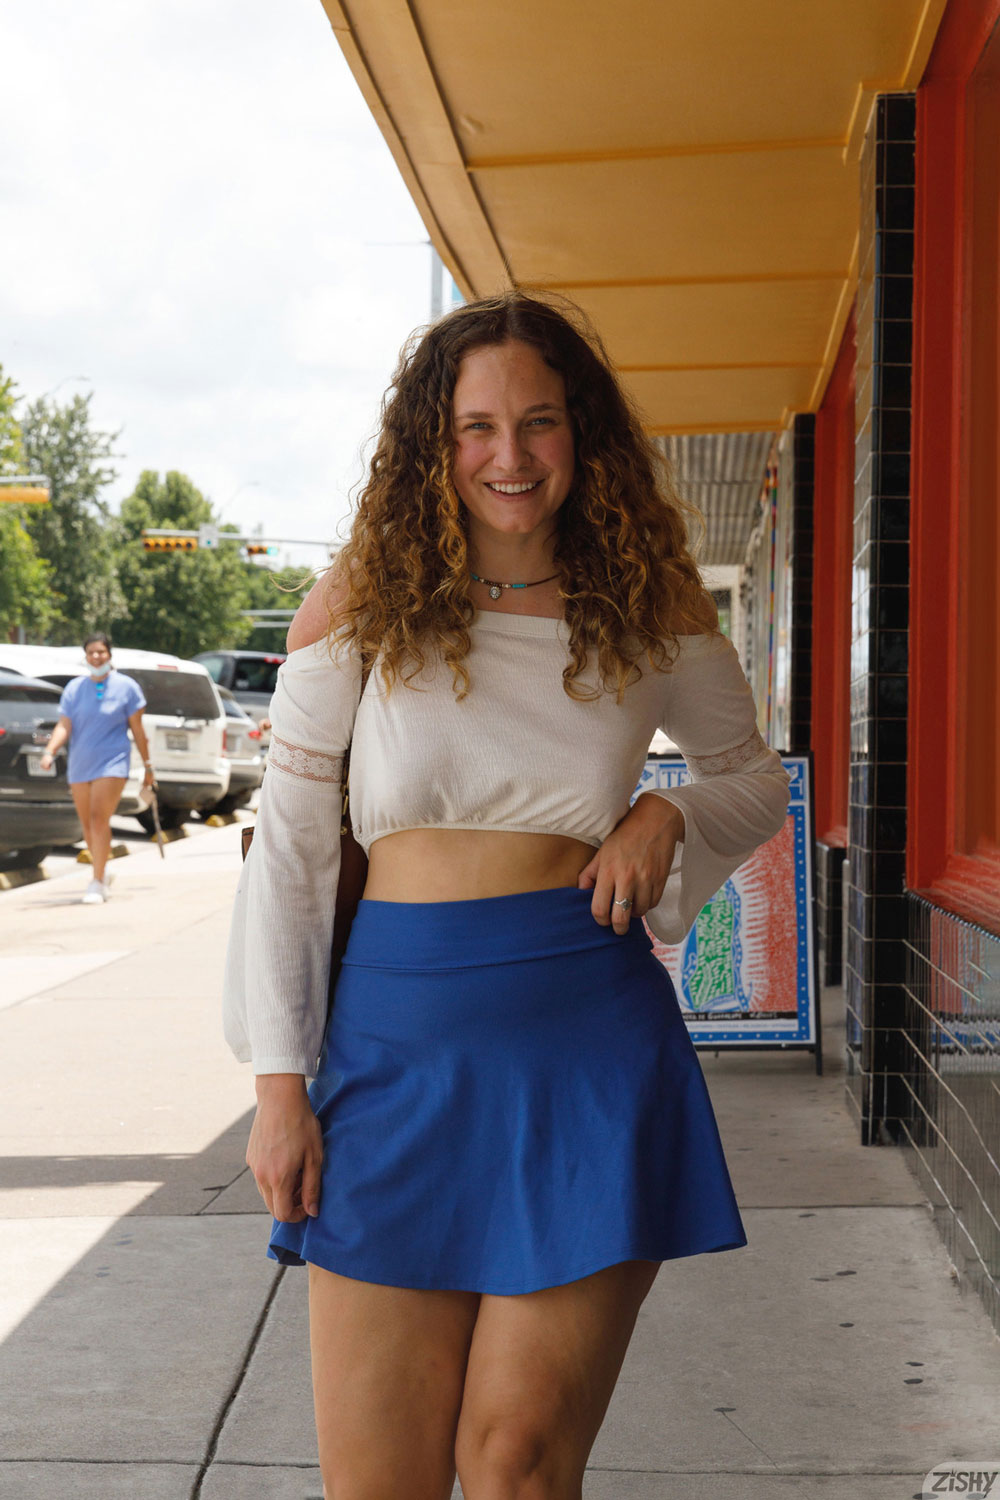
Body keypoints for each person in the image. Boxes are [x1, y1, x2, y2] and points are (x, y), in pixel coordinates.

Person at [222, 291, 791, 1500]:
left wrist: (665, 812)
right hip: (392, 1056)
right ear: (436, 445)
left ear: (580, 434)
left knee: (520, 1463)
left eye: (538, 422)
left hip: (583, 1047)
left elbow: (750, 777)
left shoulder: (648, 607)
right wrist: (281, 1085)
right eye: (476, 427)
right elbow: (291, 854)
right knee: (380, 1481)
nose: (509, 456)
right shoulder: (359, 606)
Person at [40, 633, 154, 904]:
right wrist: (50, 751)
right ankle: (102, 868)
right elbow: (64, 725)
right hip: (80, 764)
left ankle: (97, 881)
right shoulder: (74, 689)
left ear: (109, 654)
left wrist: (148, 766)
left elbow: (138, 731)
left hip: (113, 762)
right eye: (91, 652)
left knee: (98, 819)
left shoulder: (127, 687)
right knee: (87, 826)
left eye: (101, 652)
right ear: (85, 656)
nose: (96, 657)